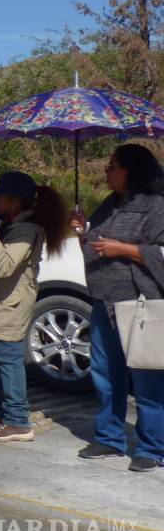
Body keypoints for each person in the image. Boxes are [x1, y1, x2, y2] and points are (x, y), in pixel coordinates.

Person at [72, 144, 164, 472]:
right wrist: (84, 231)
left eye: (113, 166)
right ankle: (110, 438)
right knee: (105, 374)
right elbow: (95, 247)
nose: (107, 171)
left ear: (132, 170)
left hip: (141, 305)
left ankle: (153, 447)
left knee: (148, 378)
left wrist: (123, 249)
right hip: (104, 302)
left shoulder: (157, 206)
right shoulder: (108, 206)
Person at [0, 171, 69, 442]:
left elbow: (3, 266)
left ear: (13, 200)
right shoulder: (12, 223)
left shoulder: (25, 230)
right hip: (3, 301)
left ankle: (17, 421)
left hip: (11, 303)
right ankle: (4, 415)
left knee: (8, 359)